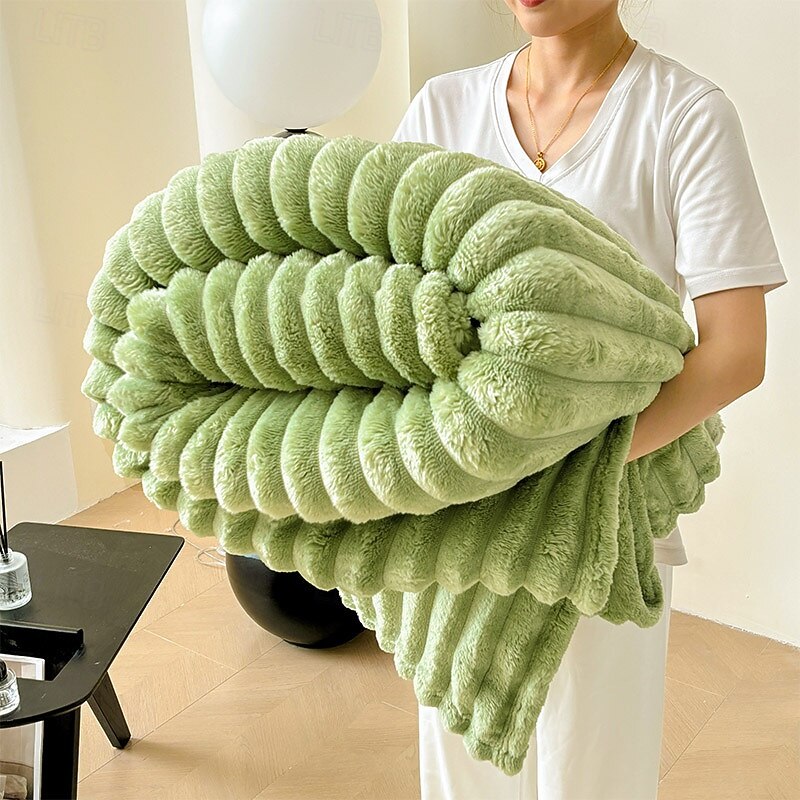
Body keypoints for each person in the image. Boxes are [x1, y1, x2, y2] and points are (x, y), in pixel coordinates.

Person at [390, 1, 789, 797]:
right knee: (466, 776)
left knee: (594, 774)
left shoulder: (684, 116)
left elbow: (737, 353)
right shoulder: (443, 108)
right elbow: (387, 303)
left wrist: (568, 470)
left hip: (606, 510)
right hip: (461, 513)